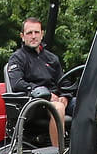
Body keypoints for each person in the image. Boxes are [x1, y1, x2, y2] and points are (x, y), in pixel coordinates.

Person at [5, 17, 70, 146]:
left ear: (42, 34)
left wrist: (65, 96)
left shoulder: (52, 58)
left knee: (87, 105)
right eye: (29, 33)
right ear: (22, 36)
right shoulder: (17, 58)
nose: (33, 36)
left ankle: (89, 151)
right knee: (57, 108)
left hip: (56, 99)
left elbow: (64, 83)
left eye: (36, 32)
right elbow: (17, 84)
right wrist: (47, 94)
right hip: (34, 103)